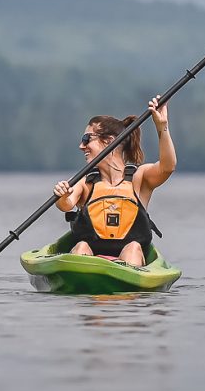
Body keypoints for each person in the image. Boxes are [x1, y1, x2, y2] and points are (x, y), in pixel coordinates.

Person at [53, 97, 174, 266]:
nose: (81, 146)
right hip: (90, 261)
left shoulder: (139, 178)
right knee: (81, 246)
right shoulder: (85, 182)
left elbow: (167, 167)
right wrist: (62, 195)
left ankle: (127, 288)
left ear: (109, 140)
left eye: (87, 139)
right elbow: (66, 204)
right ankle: (86, 285)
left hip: (129, 262)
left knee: (133, 248)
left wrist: (162, 127)